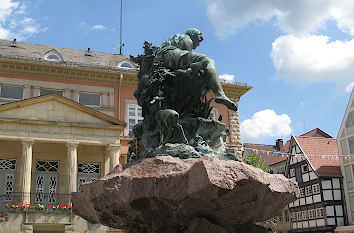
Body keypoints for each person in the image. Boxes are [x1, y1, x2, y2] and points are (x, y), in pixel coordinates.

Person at [157, 28, 237, 111]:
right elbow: (185, 56)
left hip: (166, 58)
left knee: (200, 64)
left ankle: (196, 65)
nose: (199, 44)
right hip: (172, 56)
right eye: (199, 39)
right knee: (208, 61)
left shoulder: (176, 38)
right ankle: (220, 94)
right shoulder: (186, 39)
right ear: (193, 35)